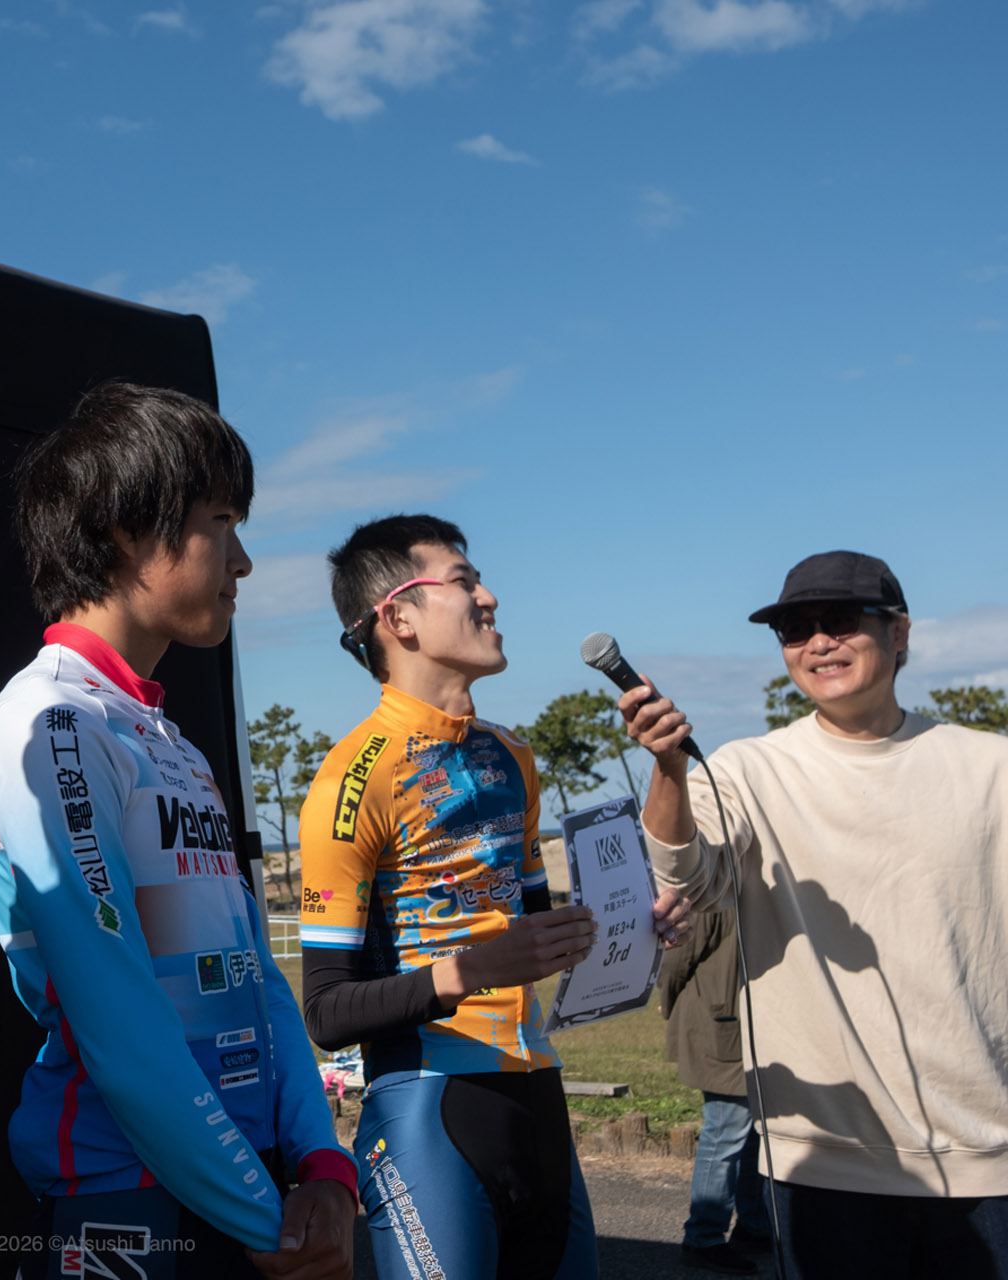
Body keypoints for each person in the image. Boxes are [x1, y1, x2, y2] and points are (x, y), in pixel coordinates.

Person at [0, 383, 357, 1279]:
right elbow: (119, 1025)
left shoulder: (167, 741)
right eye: (221, 522)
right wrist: (267, 1219)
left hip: (243, 1187)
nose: (243, 561)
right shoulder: (51, 723)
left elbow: (259, 975)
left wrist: (322, 1164)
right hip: (130, 1197)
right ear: (123, 530)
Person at [297, 513, 689, 1280]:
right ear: (398, 618)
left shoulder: (511, 755)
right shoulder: (353, 776)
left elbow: (539, 933)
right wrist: (472, 970)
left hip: (537, 1095)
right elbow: (327, 1012)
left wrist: (629, 921)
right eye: (464, 581)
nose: (490, 597)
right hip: (428, 1107)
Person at [619, 549, 1008, 1279]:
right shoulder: (746, 769)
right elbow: (686, 872)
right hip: (821, 1158)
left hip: (986, 1154)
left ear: (900, 632)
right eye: (795, 629)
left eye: (840, 620)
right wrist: (668, 768)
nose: (818, 642)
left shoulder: (992, 767)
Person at [658, 909, 771, 1274]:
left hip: (750, 1023)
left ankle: (754, 1225)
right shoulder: (715, 891)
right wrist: (668, 1000)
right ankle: (703, 1237)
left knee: (752, 1132)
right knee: (726, 1131)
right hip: (721, 1022)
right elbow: (677, 956)